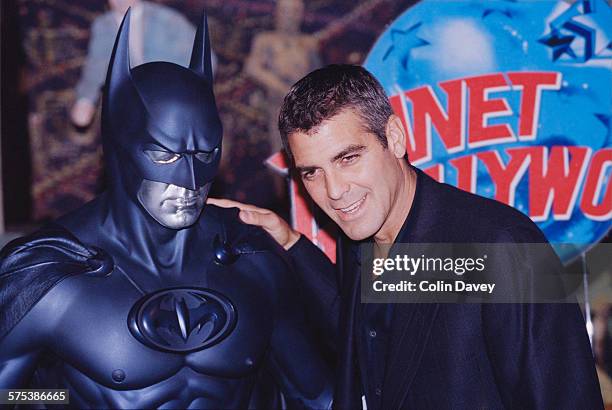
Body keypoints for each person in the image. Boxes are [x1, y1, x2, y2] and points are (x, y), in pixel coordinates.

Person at [209, 64, 604, 409]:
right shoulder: (363, 238)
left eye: (348, 158)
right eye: (312, 172)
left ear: (394, 137)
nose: (334, 191)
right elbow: (364, 333)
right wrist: (290, 242)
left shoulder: (502, 246)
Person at [0, 11, 332, 409]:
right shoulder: (49, 274)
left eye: (205, 152)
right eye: (164, 154)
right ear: (119, 148)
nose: (190, 178)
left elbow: (316, 395)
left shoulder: (250, 257)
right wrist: (59, 399)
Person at [70, 0, 213, 128]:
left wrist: (184, 91)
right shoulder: (103, 26)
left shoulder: (167, 19)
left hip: (175, 103)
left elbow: (208, 60)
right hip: (133, 107)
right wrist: (85, 101)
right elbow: (95, 66)